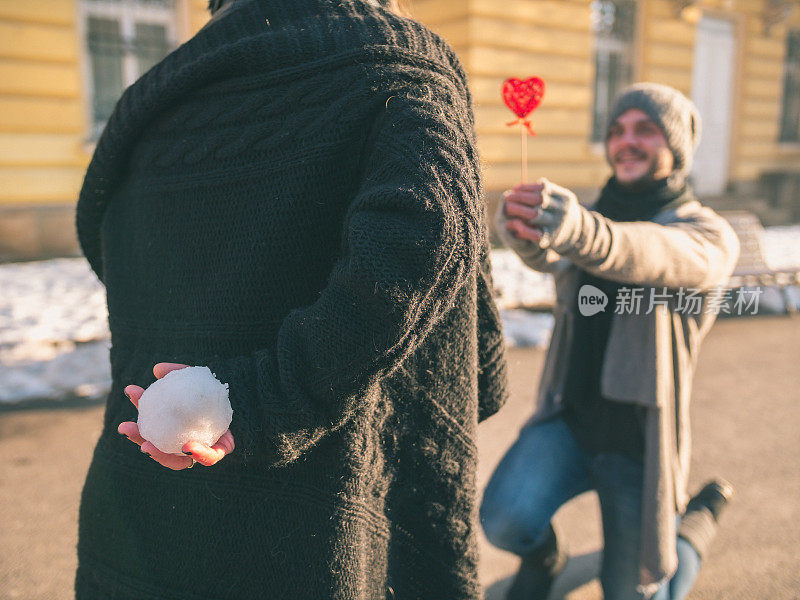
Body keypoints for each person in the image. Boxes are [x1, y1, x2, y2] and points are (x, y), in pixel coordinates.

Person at [74, 0, 508, 598]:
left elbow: (106, 250)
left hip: (139, 508)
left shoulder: (145, 104)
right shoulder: (397, 61)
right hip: (311, 530)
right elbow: (430, 235)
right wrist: (253, 398)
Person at [480, 83, 740, 600]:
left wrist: (578, 229)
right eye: (617, 130)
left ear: (677, 147)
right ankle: (546, 560)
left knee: (642, 589)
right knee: (504, 520)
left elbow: (645, 250)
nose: (627, 141)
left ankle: (695, 524)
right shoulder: (594, 214)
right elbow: (561, 264)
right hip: (571, 423)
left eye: (646, 129)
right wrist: (526, 238)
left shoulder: (706, 235)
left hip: (639, 447)